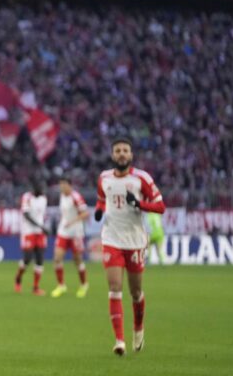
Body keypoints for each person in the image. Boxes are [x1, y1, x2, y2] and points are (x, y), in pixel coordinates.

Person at [94, 137, 165, 356]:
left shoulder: (141, 178)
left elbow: (161, 206)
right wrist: (98, 209)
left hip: (135, 241)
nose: (121, 154)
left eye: (125, 150)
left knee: (135, 292)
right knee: (114, 287)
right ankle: (119, 341)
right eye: (118, 150)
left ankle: (138, 329)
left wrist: (139, 204)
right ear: (112, 155)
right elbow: (100, 198)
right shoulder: (104, 177)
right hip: (111, 239)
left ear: (131, 155)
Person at [50, 176, 90, 298]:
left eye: (63, 184)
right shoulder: (62, 196)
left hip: (75, 233)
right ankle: (61, 285)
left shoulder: (75, 197)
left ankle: (84, 285)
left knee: (77, 260)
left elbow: (86, 213)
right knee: (57, 258)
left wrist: (72, 221)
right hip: (64, 231)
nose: (61, 187)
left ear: (70, 185)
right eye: (60, 184)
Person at [14, 180, 48, 296]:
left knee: (40, 259)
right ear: (34, 187)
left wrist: (42, 226)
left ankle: (36, 287)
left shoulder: (44, 199)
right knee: (27, 258)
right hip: (28, 232)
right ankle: (18, 279)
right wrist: (41, 226)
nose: (42, 189)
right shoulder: (27, 197)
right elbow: (26, 215)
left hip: (40, 233)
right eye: (40, 186)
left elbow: (41, 215)